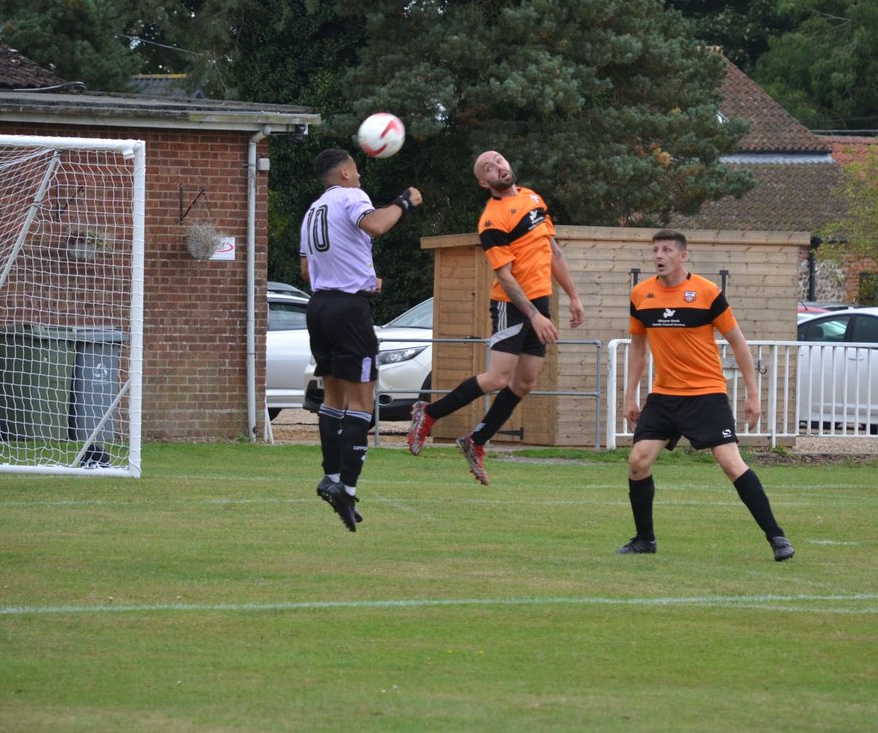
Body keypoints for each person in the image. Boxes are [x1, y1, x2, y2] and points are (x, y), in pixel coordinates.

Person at [406, 150, 585, 484]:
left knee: (526, 381)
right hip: (510, 305)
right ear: (483, 182)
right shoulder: (491, 219)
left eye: (499, 161)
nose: (498, 167)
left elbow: (553, 251)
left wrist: (573, 297)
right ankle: (428, 412)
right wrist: (533, 316)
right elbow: (504, 276)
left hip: (539, 304)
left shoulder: (533, 197)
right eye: (488, 167)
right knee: (497, 378)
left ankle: (475, 440)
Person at [619, 230, 794, 561]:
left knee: (730, 463)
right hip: (664, 396)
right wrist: (630, 396)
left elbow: (739, 343)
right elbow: (638, 349)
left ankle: (777, 537)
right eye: (655, 249)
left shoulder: (707, 292)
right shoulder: (641, 295)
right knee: (638, 461)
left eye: (667, 249)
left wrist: (753, 395)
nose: (659, 255)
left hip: (706, 395)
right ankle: (645, 540)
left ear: (682, 256)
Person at [299, 148, 422, 531]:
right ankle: (347, 489)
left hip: (319, 307)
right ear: (347, 173)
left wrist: (363, 278)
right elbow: (375, 226)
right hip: (349, 312)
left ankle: (332, 476)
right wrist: (404, 202)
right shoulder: (352, 196)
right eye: (357, 170)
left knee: (333, 399)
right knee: (361, 403)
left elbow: (307, 269)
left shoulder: (312, 211)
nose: (360, 176)